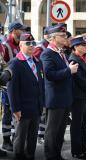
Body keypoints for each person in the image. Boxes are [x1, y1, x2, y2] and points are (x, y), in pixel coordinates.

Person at [40, 24, 78, 160]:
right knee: (52, 131)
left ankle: (57, 155)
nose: (65, 37)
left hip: (64, 98)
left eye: (65, 35)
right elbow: (50, 74)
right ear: (52, 38)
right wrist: (69, 70)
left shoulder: (60, 52)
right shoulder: (47, 53)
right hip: (55, 98)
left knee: (60, 131)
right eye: (62, 36)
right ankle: (50, 156)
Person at [7, 32, 44, 160]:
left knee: (32, 139)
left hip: (36, 107)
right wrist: (15, 109)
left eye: (33, 43)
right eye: (28, 43)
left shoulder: (38, 62)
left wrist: (42, 104)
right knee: (20, 138)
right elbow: (12, 89)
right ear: (21, 45)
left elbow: (41, 85)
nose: (31, 46)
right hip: (22, 109)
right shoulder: (15, 63)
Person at [69, 36, 86, 159]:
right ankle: (76, 150)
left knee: (83, 123)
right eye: (82, 45)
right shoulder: (74, 59)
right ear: (75, 47)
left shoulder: (83, 58)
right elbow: (78, 77)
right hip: (78, 97)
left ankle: (82, 148)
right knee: (77, 124)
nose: (85, 47)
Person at [2, 22, 27, 152]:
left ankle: (14, 138)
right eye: (20, 30)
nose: (23, 31)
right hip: (8, 86)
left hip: (20, 85)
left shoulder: (20, 45)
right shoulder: (6, 46)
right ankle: (6, 141)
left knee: (16, 113)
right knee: (7, 113)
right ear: (13, 30)